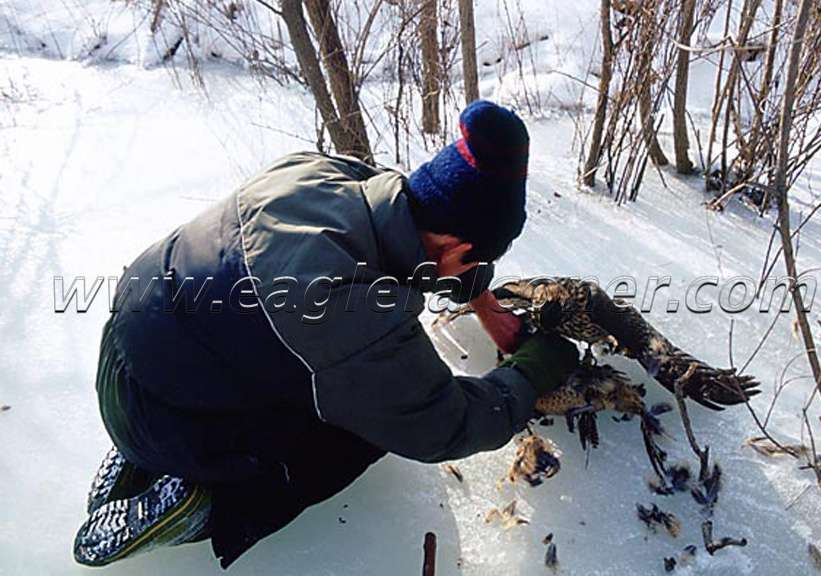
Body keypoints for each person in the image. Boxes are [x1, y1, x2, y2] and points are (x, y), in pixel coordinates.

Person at [73, 100, 583, 569]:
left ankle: (163, 426)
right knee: (360, 427)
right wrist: (533, 370)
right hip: (158, 412)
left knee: (297, 362)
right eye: (478, 261)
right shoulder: (350, 309)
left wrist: (486, 305)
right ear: (457, 246)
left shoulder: (332, 174)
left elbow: (436, 226)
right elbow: (441, 423)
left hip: (132, 343)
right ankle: (205, 503)